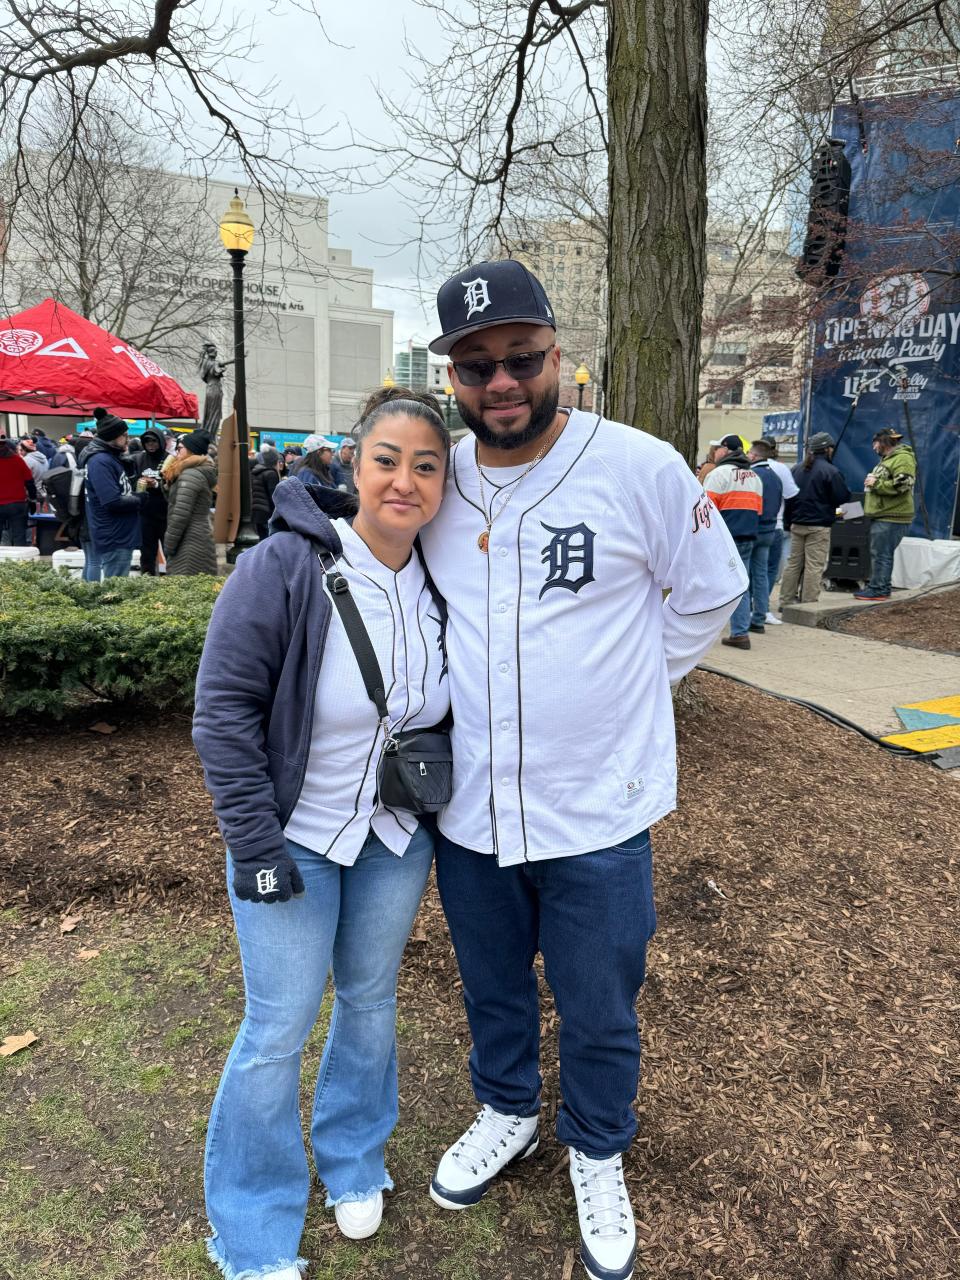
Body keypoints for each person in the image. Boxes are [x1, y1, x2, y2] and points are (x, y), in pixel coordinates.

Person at [419, 259, 747, 1280]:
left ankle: (597, 1145)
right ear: (455, 380)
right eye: (476, 367)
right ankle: (508, 1106)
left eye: (521, 357)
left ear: (561, 354)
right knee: (492, 986)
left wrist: (635, 680)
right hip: (471, 806)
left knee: (601, 998)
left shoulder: (641, 467)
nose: (502, 382)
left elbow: (711, 589)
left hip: (598, 808)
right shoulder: (438, 477)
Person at [192, 387, 451, 1280]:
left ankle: (352, 1159)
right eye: (388, 460)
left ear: (445, 481)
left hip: (392, 839)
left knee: (371, 1003)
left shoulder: (442, 582)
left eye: (426, 465)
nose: (405, 481)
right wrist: (255, 849)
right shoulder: (288, 566)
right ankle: (253, 1228)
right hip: (290, 839)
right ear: (353, 463)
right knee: (277, 1027)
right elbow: (222, 714)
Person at [703, 433, 763, 651]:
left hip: (723, 539)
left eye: (717, 447)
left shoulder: (719, 474)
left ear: (726, 450)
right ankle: (740, 632)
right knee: (741, 586)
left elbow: (706, 513)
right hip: (748, 537)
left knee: (710, 586)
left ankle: (702, 632)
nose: (714, 452)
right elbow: (758, 510)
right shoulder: (754, 477)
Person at [779, 431, 850, 608]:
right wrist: (839, 513)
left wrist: (788, 523)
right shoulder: (831, 471)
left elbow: (788, 498)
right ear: (827, 449)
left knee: (793, 564)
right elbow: (842, 498)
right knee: (814, 566)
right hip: (819, 526)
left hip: (796, 524)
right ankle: (807, 604)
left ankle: (785, 601)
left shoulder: (795, 469)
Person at [82, 409, 151, 579]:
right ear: (112, 437)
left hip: (119, 533)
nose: (128, 439)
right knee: (115, 591)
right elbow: (112, 501)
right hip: (114, 536)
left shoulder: (110, 458)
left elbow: (118, 492)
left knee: (117, 587)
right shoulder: (100, 462)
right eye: (124, 436)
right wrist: (139, 498)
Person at [854, 427, 916, 601]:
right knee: (880, 554)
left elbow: (903, 485)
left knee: (881, 555)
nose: (873, 448)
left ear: (882, 442)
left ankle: (878, 589)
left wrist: (876, 483)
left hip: (892, 517)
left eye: (874, 444)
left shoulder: (903, 458)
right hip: (884, 515)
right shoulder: (888, 460)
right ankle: (880, 587)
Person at [161, 430, 218, 576]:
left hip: (189, 542)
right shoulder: (191, 471)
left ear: (191, 450)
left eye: (180, 448)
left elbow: (180, 514)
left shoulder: (190, 474)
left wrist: (169, 545)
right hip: (196, 537)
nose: (176, 452)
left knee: (184, 589)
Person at [744, 440, 784, 635]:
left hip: (753, 529)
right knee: (761, 575)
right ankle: (760, 615)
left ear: (755, 456)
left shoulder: (752, 476)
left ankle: (743, 616)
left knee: (745, 575)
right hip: (770, 529)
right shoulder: (775, 477)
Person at [758, 436, 798, 626]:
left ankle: (753, 607)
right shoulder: (781, 469)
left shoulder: (750, 470)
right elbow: (791, 496)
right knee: (769, 570)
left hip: (753, 526)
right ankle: (762, 608)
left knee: (753, 570)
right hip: (775, 525)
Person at [134, 427, 169, 575]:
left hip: (166, 514)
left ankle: (172, 583)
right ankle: (147, 581)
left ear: (161, 442)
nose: (150, 444)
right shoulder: (139, 459)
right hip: (145, 514)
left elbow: (173, 485)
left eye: (154, 441)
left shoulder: (169, 459)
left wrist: (155, 484)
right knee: (147, 552)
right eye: (147, 441)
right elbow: (133, 482)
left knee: (169, 551)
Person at [0, 436, 35, 546]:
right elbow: (29, 481)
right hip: (17, 503)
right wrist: (33, 499)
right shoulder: (18, 460)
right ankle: (20, 562)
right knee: (19, 536)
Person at [251, 446, 282, 539]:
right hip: (267, 514)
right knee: (269, 540)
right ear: (274, 461)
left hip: (257, 512)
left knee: (262, 540)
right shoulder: (271, 474)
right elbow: (274, 496)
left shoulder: (258, 471)